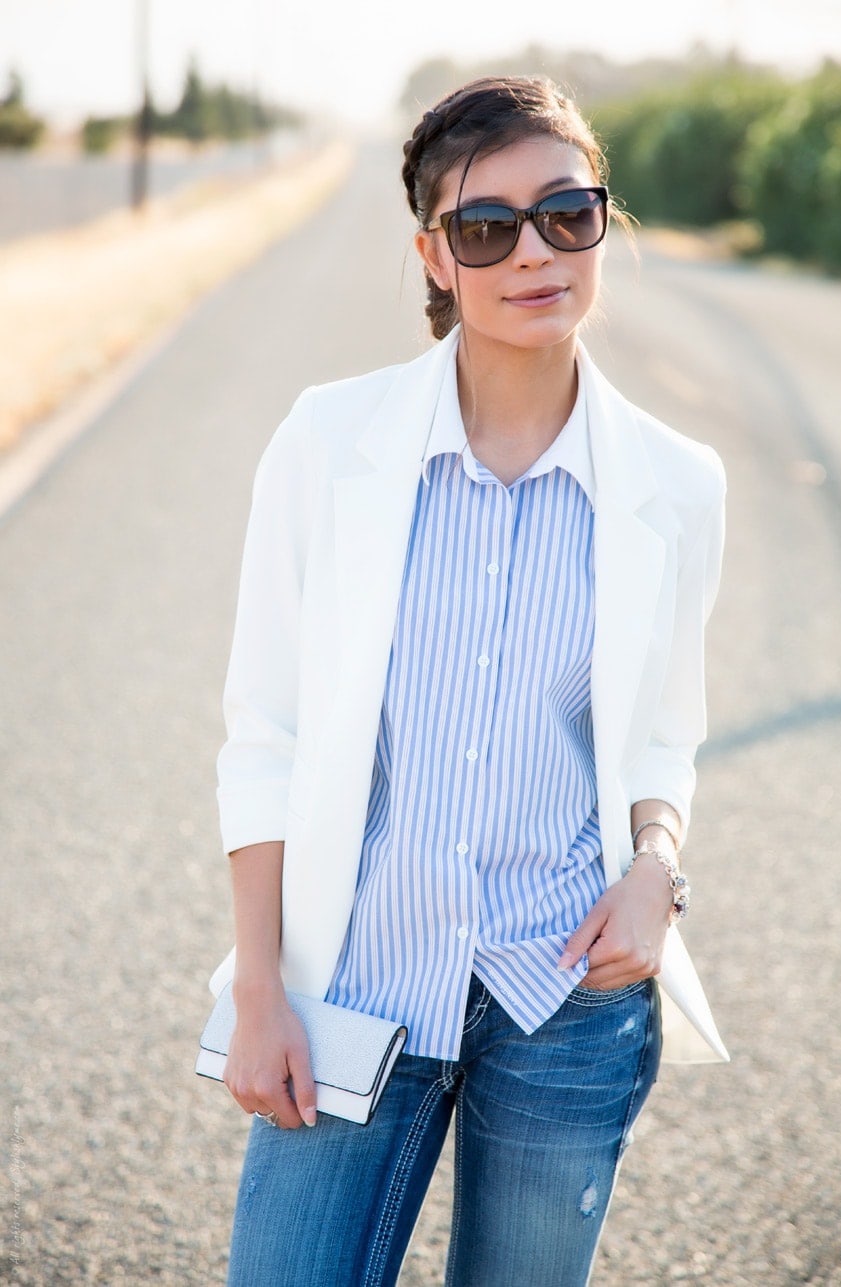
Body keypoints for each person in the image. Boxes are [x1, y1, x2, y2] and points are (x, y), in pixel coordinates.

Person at [212, 75, 728, 1287]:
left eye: (567, 213)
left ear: (603, 220)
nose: (534, 253)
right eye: (487, 228)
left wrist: (655, 873)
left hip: (568, 1004)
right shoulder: (327, 445)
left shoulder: (678, 481)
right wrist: (257, 990)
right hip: (356, 989)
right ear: (435, 257)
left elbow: (662, 739)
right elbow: (264, 734)